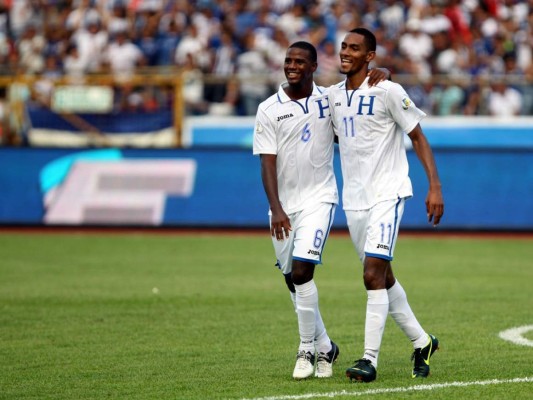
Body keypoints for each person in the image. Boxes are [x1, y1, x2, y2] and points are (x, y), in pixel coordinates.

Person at [253, 41, 388, 380]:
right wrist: (276, 208)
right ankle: (326, 344)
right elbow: (267, 163)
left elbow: (361, 93)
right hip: (284, 206)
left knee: (302, 272)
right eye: (288, 60)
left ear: (313, 66)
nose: (292, 66)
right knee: (291, 279)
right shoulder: (269, 108)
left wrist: (382, 75)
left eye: (300, 61)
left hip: (320, 198)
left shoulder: (329, 99)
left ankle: (306, 349)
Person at [328, 28, 444, 382]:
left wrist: (434, 187)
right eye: (344, 46)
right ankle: (423, 342)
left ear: (370, 56)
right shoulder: (331, 96)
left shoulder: (389, 90)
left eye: (355, 48)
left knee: (371, 274)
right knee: (383, 276)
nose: (346, 51)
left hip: (388, 193)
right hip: (355, 200)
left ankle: (369, 359)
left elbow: (418, 137)